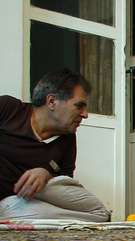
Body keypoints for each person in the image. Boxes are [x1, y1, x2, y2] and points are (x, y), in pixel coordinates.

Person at [0, 68, 110, 222]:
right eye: (79, 106)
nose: (85, 114)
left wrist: (46, 175)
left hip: (35, 197)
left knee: (98, 211)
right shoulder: (8, 109)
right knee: (38, 213)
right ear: (52, 102)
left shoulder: (67, 138)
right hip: (10, 201)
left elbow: (65, 188)